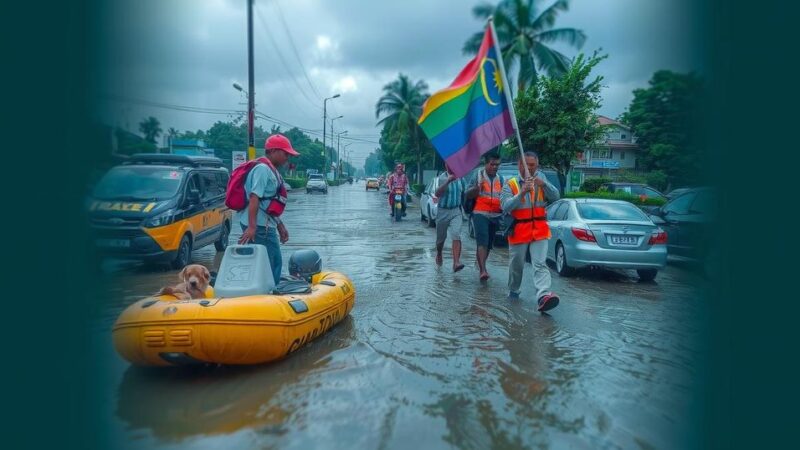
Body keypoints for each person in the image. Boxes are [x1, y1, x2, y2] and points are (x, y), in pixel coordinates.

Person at [500, 151, 560, 312]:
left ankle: (543, 295)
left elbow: (556, 196)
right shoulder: (510, 183)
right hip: (519, 230)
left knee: (540, 263)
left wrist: (544, 185)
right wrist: (522, 192)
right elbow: (505, 207)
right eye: (527, 165)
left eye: (533, 165)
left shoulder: (542, 180)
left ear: (537, 166)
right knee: (516, 265)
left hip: (539, 229)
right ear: (520, 165)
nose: (530, 168)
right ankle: (513, 290)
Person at [238, 134, 298, 283]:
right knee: (272, 263)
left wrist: (280, 225)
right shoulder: (263, 169)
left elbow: (269, 204)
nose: (287, 158)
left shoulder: (272, 171)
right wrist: (252, 227)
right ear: (273, 151)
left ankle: (264, 290)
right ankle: (269, 294)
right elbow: (254, 197)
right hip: (259, 226)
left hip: (265, 223)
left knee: (269, 262)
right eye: (285, 153)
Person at [464, 153, 503, 281]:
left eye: (497, 165)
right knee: (482, 241)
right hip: (480, 213)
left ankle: (480, 263)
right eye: (492, 164)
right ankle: (483, 270)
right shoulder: (477, 176)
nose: (495, 167)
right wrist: (476, 188)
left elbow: (503, 197)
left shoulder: (501, 179)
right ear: (486, 164)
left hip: (495, 215)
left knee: (489, 244)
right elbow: (467, 194)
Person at [434, 165, 466, 272]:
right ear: (445, 165)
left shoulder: (461, 178)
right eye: (448, 164)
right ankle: (439, 253)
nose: (451, 167)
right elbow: (437, 193)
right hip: (443, 211)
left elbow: (465, 192)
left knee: (456, 234)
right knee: (440, 240)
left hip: (456, 211)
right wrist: (447, 181)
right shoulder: (441, 178)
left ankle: (456, 262)